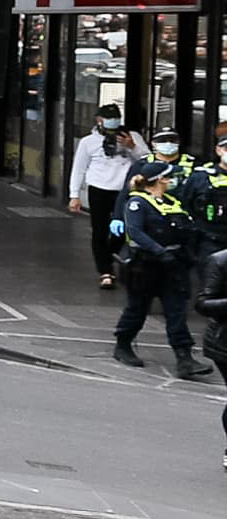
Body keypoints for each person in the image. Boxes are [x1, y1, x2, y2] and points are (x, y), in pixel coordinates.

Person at [115, 163, 213, 377]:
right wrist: (160, 252)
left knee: (176, 310)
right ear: (160, 180)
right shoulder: (138, 203)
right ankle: (123, 345)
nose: (172, 181)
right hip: (146, 265)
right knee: (137, 309)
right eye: (169, 178)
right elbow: (135, 232)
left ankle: (184, 359)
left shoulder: (173, 203)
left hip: (173, 266)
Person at [71, 106, 144, 289]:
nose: (113, 121)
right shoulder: (88, 142)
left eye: (116, 117)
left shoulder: (132, 136)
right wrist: (74, 195)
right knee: (99, 229)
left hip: (125, 189)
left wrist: (131, 147)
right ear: (99, 119)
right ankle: (105, 270)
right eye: (109, 117)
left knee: (125, 228)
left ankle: (109, 253)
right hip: (99, 188)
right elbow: (79, 168)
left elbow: (148, 161)